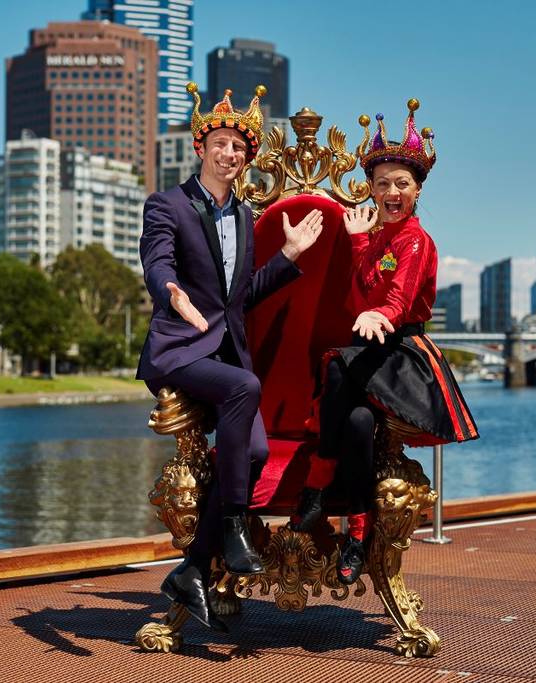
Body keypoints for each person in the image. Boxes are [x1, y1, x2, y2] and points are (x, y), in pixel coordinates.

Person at [137, 82, 324, 632]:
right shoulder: (167, 204)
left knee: (256, 453)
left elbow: (239, 297)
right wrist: (171, 293)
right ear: (201, 148)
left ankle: (192, 568)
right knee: (246, 387)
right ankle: (237, 527)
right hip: (179, 350)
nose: (230, 154)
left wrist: (288, 255)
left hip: (224, 352)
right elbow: (157, 263)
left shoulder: (244, 217)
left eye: (239, 149)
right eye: (220, 144)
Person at [289, 99, 479, 584]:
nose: (391, 193)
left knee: (334, 368)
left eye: (401, 184)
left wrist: (382, 314)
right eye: (382, 184)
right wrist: (355, 246)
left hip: (399, 353)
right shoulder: (369, 237)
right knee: (353, 422)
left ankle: (316, 486)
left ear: (417, 189)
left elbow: (398, 296)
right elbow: (357, 300)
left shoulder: (417, 241)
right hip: (367, 347)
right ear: (371, 189)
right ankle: (357, 529)